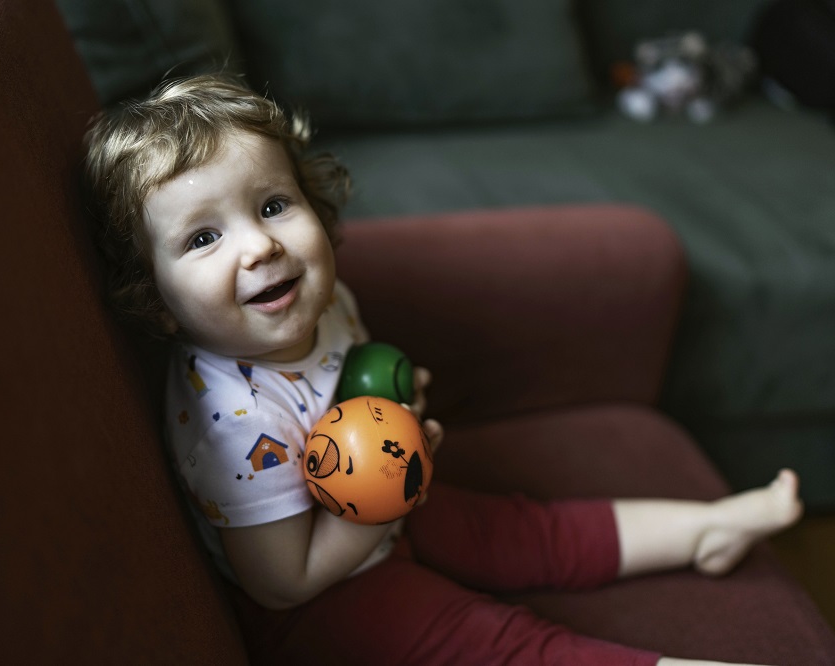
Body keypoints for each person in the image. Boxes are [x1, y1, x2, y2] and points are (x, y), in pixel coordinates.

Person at [83, 74, 803, 665]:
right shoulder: (234, 426)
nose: (260, 246)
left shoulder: (315, 301)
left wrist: (399, 409)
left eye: (273, 205)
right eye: (204, 237)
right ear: (160, 301)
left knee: (527, 531)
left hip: (388, 511)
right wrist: (395, 491)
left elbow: (358, 382)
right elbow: (282, 586)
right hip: (328, 601)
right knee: (494, 642)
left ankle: (708, 525)